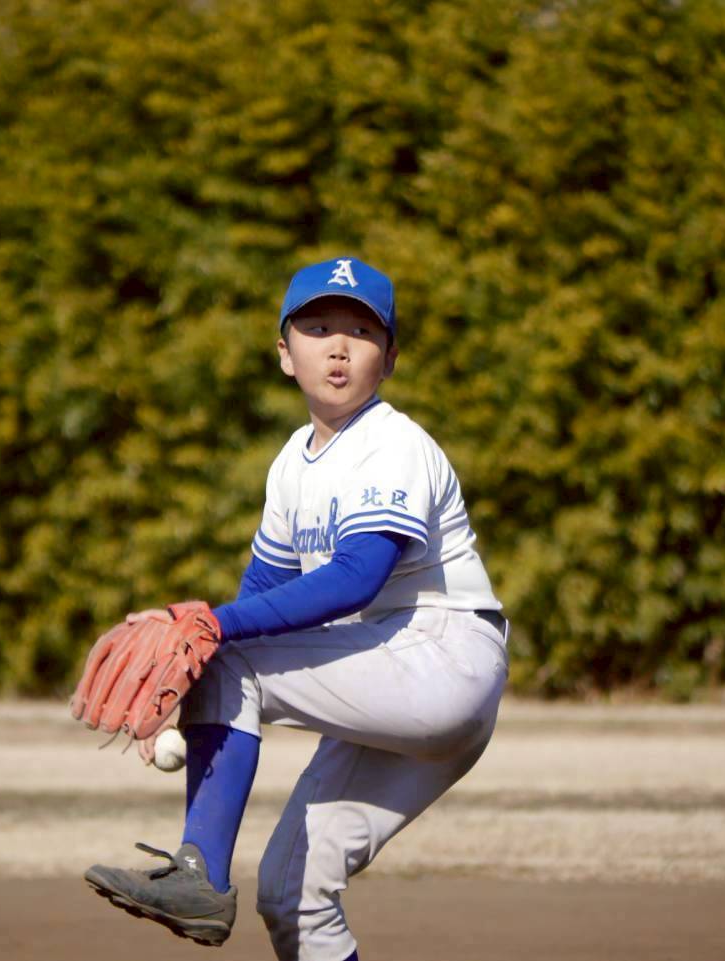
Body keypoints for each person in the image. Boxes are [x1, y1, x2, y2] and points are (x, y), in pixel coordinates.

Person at [83, 256, 508, 961]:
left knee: (230, 652)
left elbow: (354, 579)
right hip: (390, 674)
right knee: (293, 893)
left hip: (444, 656)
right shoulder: (291, 463)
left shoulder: (391, 442)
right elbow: (264, 592)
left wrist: (211, 635)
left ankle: (199, 875)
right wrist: (193, 683)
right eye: (317, 328)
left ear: (389, 359)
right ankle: (210, 877)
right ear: (285, 354)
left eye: (361, 332)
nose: (338, 346)